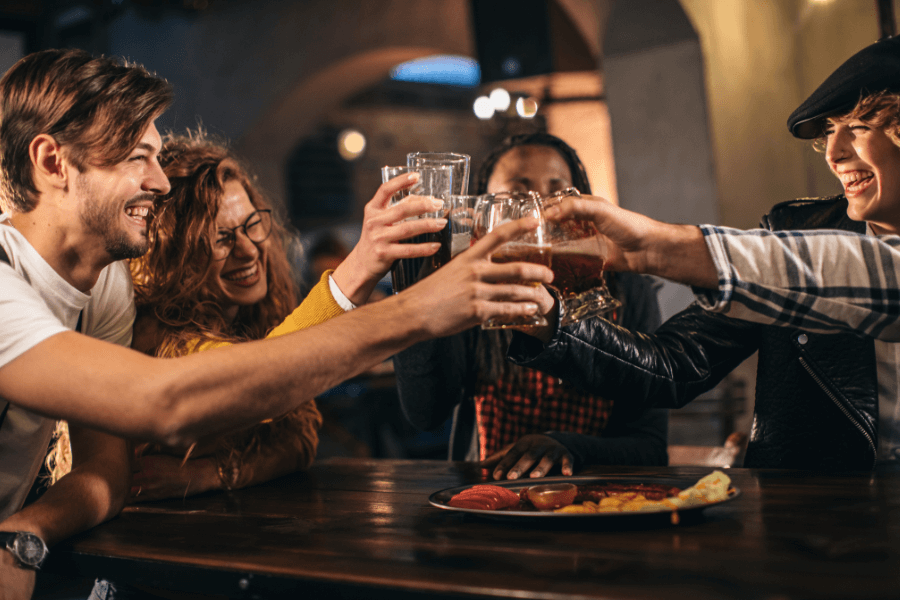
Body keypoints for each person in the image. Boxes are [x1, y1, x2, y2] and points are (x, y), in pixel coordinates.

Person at [0, 49, 551, 597]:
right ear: (52, 163)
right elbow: (163, 402)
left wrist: (25, 533)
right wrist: (415, 309)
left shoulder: (103, 282)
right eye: (136, 158)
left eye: (157, 156)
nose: (161, 183)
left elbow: (107, 474)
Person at [509, 35, 900, 471]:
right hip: (818, 526)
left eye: (859, 127)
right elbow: (673, 366)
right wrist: (546, 318)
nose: (833, 152)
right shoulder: (793, 230)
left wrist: (657, 246)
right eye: (830, 130)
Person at [393, 133, 667, 481]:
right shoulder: (473, 292)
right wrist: (425, 284)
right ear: (480, 212)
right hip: (487, 497)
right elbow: (425, 414)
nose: (540, 210)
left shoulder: (626, 291)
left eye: (557, 191)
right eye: (518, 195)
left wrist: (565, 446)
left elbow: (651, 448)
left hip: (601, 499)